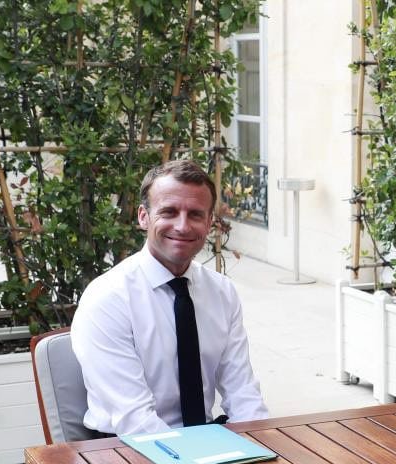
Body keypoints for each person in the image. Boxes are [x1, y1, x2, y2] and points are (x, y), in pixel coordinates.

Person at [71, 160, 269, 435]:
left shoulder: (222, 292)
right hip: (124, 450)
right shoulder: (107, 299)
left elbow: (242, 392)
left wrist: (261, 445)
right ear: (143, 217)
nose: (183, 226)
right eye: (169, 212)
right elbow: (135, 420)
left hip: (203, 440)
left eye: (196, 215)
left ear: (210, 222)